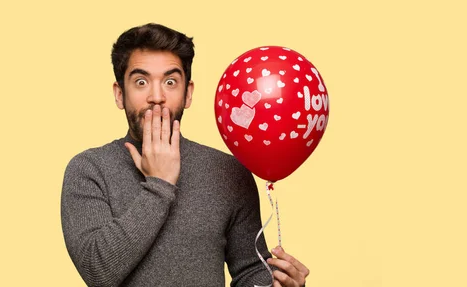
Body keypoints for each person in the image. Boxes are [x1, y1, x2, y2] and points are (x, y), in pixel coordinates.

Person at [60, 22, 310, 287]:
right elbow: (98, 272)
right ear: (120, 94)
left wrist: (279, 284)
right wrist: (159, 185)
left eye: (170, 82)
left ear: (188, 93)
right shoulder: (88, 170)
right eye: (141, 82)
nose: (156, 97)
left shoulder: (228, 172)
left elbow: (250, 271)